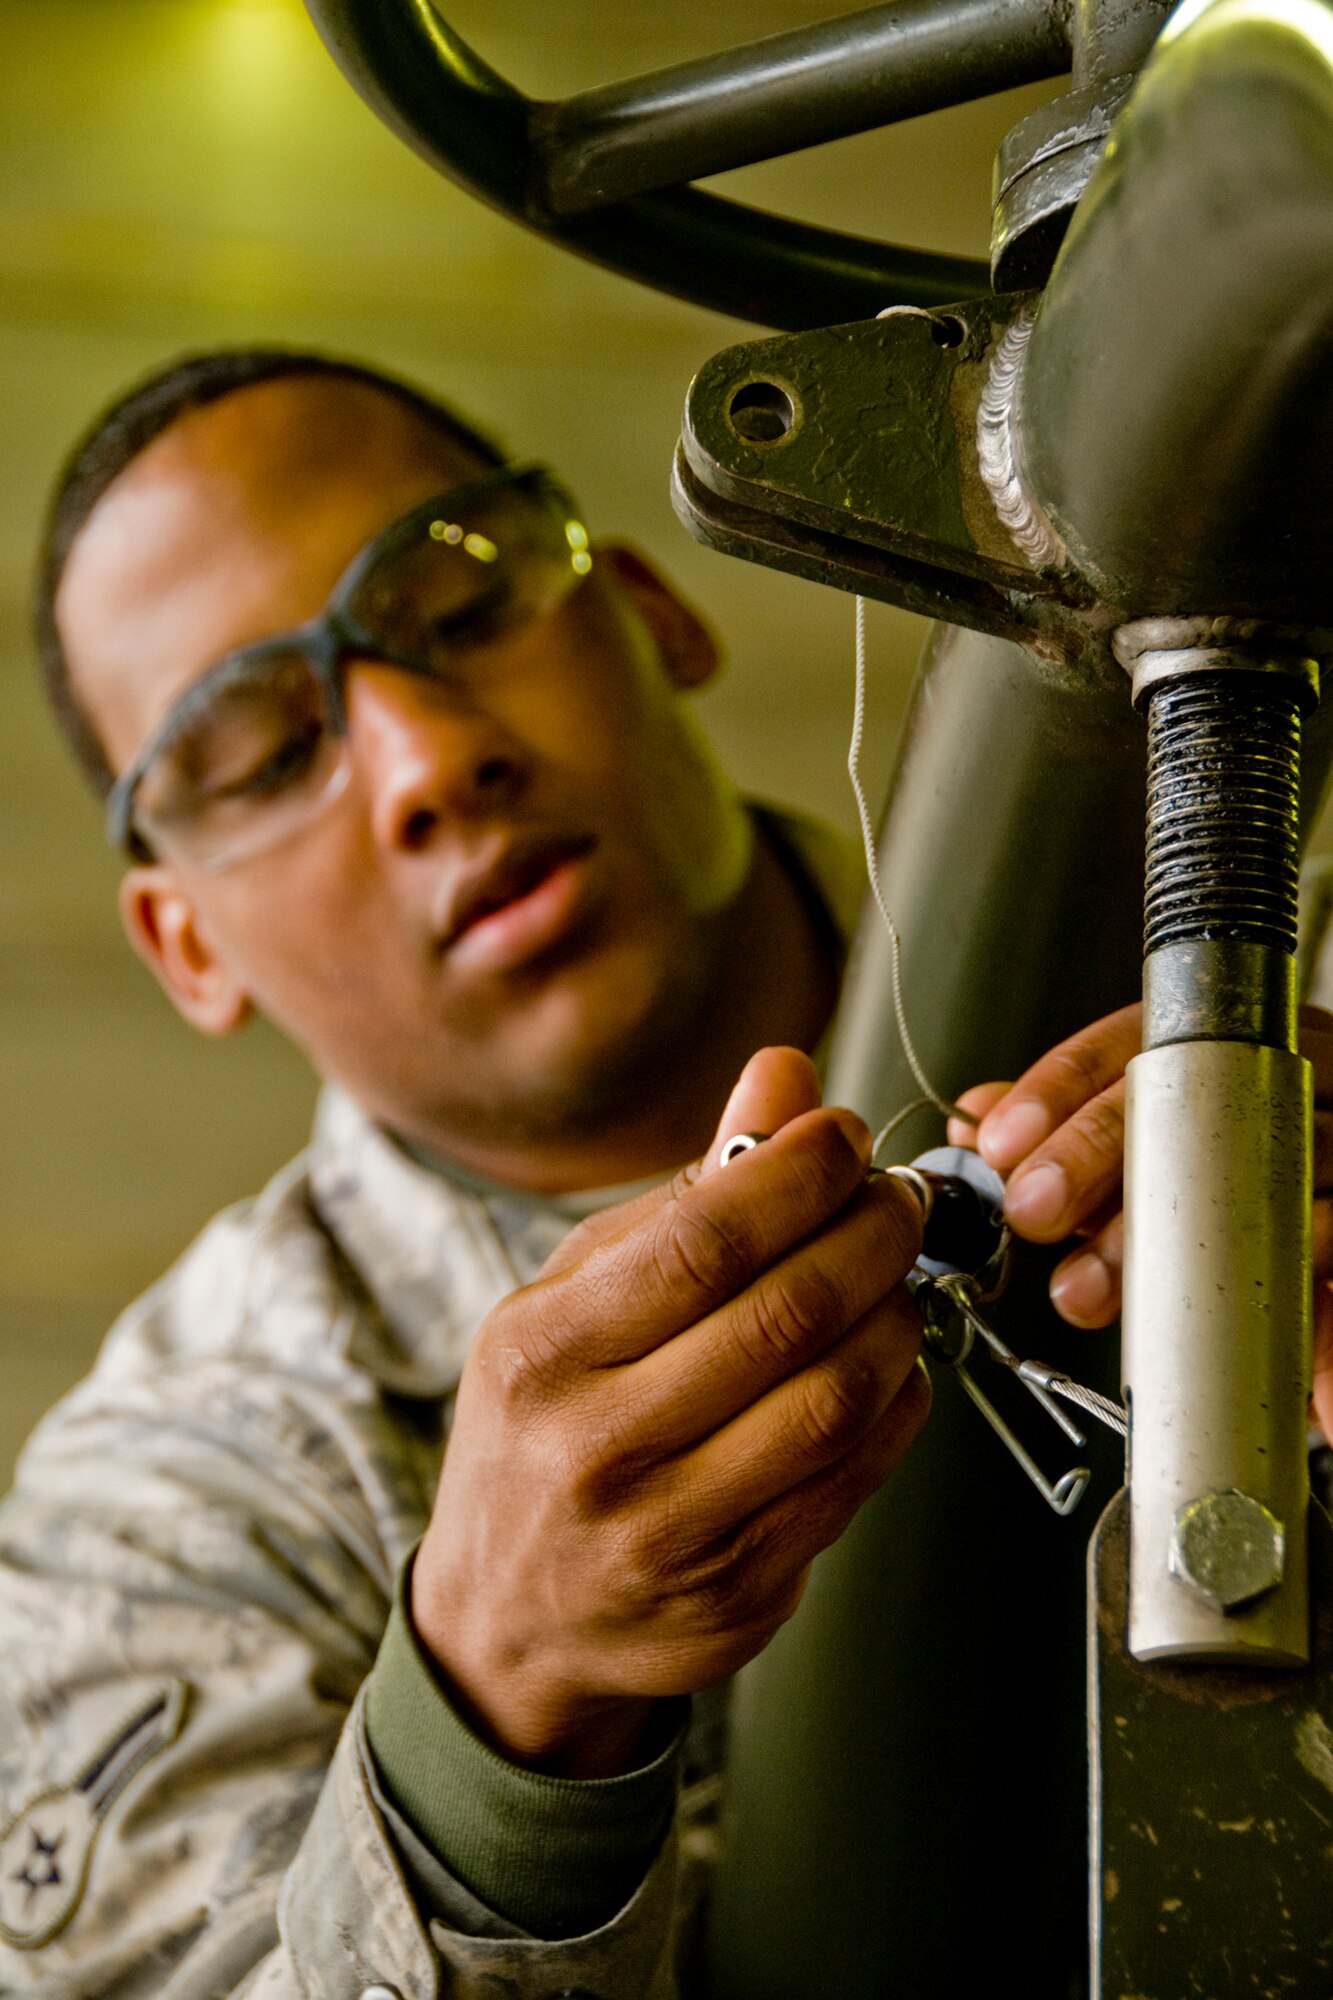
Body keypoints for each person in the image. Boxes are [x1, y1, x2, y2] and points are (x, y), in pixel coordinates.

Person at [2, 346, 1331, 2000]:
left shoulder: (1281, 985)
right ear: (183, 945)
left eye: (457, 599)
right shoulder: (179, 1513)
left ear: (652, 611)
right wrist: (495, 1730)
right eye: (261, 753)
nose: (426, 763)